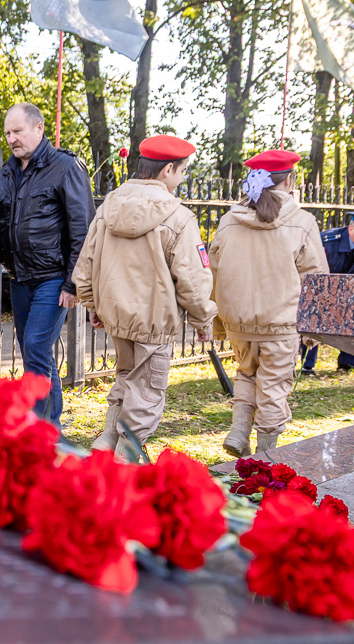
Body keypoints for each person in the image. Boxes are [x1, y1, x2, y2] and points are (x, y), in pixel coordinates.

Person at [73, 135, 216, 456]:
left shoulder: (109, 206)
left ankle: (106, 438)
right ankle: (126, 457)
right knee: (148, 390)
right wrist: (203, 319)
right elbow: (192, 279)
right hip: (155, 320)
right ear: (167, 170)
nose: (181, 179)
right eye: (182, 172)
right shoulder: (179, 216)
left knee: (126, 375)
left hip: (115, 315)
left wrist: (92, 306)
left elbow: (85, 265)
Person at [210, 150, 329, 457]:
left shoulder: (228, 221)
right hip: (281, 322)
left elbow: (213, 272)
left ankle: (238, 431)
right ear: (290, 180)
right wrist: (316, 326)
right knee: (274, 387)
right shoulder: (302, 222)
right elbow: (316, 279)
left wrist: (219, 320)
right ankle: (265, 457)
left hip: (240, 323)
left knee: (246, 373)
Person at [0, 102, 93, 427]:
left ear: (38, 128)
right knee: (36, 351)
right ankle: (50, 426)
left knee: (35, 344)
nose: (11, 139)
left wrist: (74, 283)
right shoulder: (4, 174)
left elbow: (83, 226)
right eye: (7, 133)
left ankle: (41, 428)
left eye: (17, 131)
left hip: (54, 277)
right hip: (18, 277)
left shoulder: (65, 167)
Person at [299, 211, 354, 375]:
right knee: (313, 319)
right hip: (322, 288)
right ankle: (307, 365)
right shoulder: (328, 241)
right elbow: (315, 269)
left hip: (350, 292)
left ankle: (349, 362)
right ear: (351, 229)